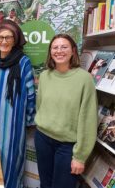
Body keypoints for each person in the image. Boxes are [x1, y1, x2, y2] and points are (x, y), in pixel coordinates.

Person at [0, 20, 36, 188]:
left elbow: (31, 93)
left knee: (10, 159)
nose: (4, 41)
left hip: (12, 124)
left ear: (15, 39)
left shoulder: (23, 62)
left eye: (8, 37)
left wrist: (29, 119)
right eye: (0, 37)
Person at [34, 34, 98, 188]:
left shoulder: (85, 79)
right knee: (45, 184)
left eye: (64, 47)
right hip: (43, 139)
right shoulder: (44, 76)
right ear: (50, 52)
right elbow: (40, 106)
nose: (59, 51)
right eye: (55, 47)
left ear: (73, 51)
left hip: (68, 146)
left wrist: (80, 157)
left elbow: (88, 119)